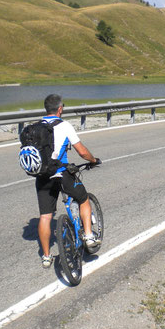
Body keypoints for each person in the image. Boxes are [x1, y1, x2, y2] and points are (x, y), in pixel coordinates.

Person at [36, 93, 100, 268]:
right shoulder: (64, 126)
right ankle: (88, 235)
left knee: (45, 216)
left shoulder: (35, 127)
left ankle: (47, 257)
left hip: (42, 176)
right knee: (83, 198)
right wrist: (93, 160)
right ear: (60, 109)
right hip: (62, 172)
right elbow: (81, 151)